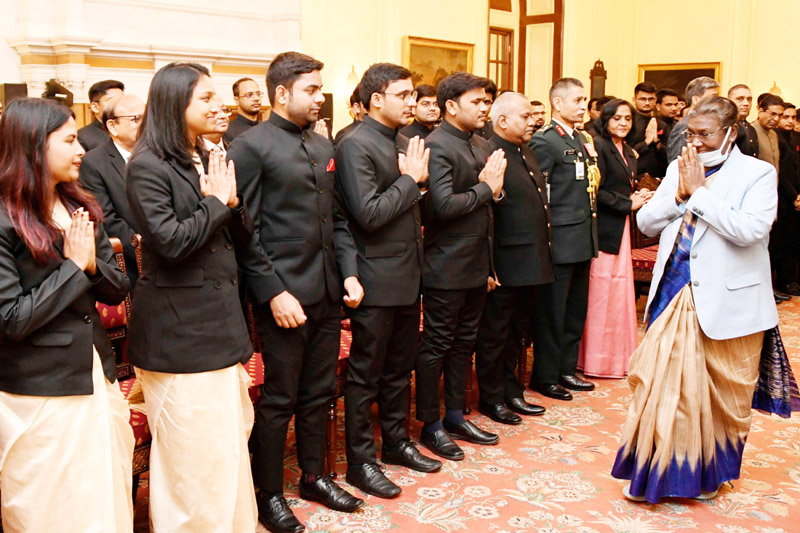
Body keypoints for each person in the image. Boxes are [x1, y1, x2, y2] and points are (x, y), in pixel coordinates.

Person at [612, 96, 780, 503]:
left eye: (705, 134)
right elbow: (647, 221)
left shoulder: (758, 173)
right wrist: (680, 195)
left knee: (724, 398)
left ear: (731, 133)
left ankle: (707, 477)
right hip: (675, 290)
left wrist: (698, 195)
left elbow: (750, 231)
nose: (697, 141)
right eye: (692, 133)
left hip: (730, 300)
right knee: (664, 389)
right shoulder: (677, 166)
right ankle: (656, 476)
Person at [228, 51, 364, 533]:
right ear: (281, 93)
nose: (319, 97)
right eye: (311, 89)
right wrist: (272, 292)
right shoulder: (250, 146)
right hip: (284, 295)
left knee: (319, 393)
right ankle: (267, 493)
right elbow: (244, 228)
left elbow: (339, 220)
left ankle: (313, 476)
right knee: (279, 398)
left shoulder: (322, 144)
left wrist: (348, 272)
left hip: (328, 290)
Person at [126, 62, 258, 532]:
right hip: (179, 332)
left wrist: (233, 204)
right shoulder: (146, 167)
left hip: (218, 324)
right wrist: (218, 203)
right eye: (205, 98)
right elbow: (172, 243)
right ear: (173, 104)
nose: (217, 104)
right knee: (191, 460)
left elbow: (235, 235)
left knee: (223, 451)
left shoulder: (204, 156)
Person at [0, 97, 133, 531]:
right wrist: (75, 268)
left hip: (95, 371)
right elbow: (13, 319)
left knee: (103, 502)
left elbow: (116, 291)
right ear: (35, 145)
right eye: (71, 140)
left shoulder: (78, 204)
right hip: (40, 388)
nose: (82, 151)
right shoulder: (5, 220)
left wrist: (91, 265)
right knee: (53, 510)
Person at [335, 63, 442, 499]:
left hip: (407, 273)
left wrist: (419, 184)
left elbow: (412, 204)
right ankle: (361, 462)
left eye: (413, 94)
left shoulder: (401, 141)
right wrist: (410, 180)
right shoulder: (354, 144)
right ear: (376, 99)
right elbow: (369, 214)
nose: (412, 102)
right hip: (374, 276)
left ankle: (396, 442)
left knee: (399, 369)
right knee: (367, 374)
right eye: (403, 94)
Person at [416, 72, 506, 461]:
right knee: (436, 345)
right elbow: (440, 208)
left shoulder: (480, 143)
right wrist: (487, 188)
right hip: (445, 265)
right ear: (451, 106)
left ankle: (454, 414)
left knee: (463, 345)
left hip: (474, 264)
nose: (485, 107)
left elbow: (487, 206)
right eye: (477, 102)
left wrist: (494, 192)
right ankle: (429, 424)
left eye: (488, 101)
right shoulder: (437, 145)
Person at [474, 92, 553, 425]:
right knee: (495, 335)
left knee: (518, 331)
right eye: (525, 115)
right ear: (503, 120)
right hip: (505, 260)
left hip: (530, 259)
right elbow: (489, 212)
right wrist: (490, 266)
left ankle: (512, 392)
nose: (533, 120)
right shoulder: (490, 151)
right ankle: (492, 398)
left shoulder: (525, 151)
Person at [528, 77, 598, 401]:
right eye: (578, 100)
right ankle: (545, 375)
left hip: (582, 237)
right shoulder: (546, 141)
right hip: (560, 240)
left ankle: (566, 370)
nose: (584, 106)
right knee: (552, 314)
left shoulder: (581, 138)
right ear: (558, 103)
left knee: (575, 311)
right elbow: (539, 194)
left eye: (585, 100)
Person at [578, 99, 652, 378]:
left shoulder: (630, 152)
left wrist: (640, 198)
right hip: (603, 231)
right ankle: (594, 360)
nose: (623, 123)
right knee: (601, 295)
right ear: (605, 120)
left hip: (621, 231)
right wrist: (627, 203)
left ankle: (617, 358)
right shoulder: (598, 147)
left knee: (619, 295)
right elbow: (594, 191)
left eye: (628, 119)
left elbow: (625, 189)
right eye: (617, 118)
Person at [78, 94, 145, 287]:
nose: (144, 125)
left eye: (147, 118)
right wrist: (144, 253)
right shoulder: (93, 163)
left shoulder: (161, 156)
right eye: (135, 119)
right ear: (113, 126)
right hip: (131, 265)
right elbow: (107, 218)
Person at [772, 103, 800, 296]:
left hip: (796, 200)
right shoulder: (775, 137)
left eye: (792, 118)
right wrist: (794, 197)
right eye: (785, 117)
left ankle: (788, 281)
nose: (789, 121)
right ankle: (778, 283)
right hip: (782, 198)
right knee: (777, 243)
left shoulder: (796, 137)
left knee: (792, 243)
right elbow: (780, 172)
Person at [666, 77, 720, 163]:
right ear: (695, 99)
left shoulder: (709, 123)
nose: (716, 101)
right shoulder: (684, 125)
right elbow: (676, 161)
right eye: (713, 97)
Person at [627, 82, 664, 179]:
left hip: (658, 178)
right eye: (643, 99)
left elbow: (668, 155)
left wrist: (657, 142)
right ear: (634, 100)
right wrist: (646, 142)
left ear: (656, 100)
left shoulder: (661, 124)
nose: (647, 103)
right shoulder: (627, 123)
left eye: (650, 99)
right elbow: (625, 153)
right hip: (633, 176)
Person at [77, 79, 124, 151]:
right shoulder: (82, 137)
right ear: (95, 107)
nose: (120, 105)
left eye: (122, 100)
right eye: (113, 101)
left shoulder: (129, 131)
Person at [752, 93, 784, 171]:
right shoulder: (751, 131)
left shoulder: (774, 134)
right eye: (773, 114)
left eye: (780, 115)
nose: (776, 119)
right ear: (760, 111)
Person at [224, 77, 262, 143]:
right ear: (237, 100)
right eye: (249, 95)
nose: (256, 98)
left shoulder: (267, 128)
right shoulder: (227, 130)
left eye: (258, 94)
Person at [728, 84, 759, 157]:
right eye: (740, 99)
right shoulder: (726, 127)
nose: (746, 103)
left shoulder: (751, 129)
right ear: (729, 101)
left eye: (749, 99)